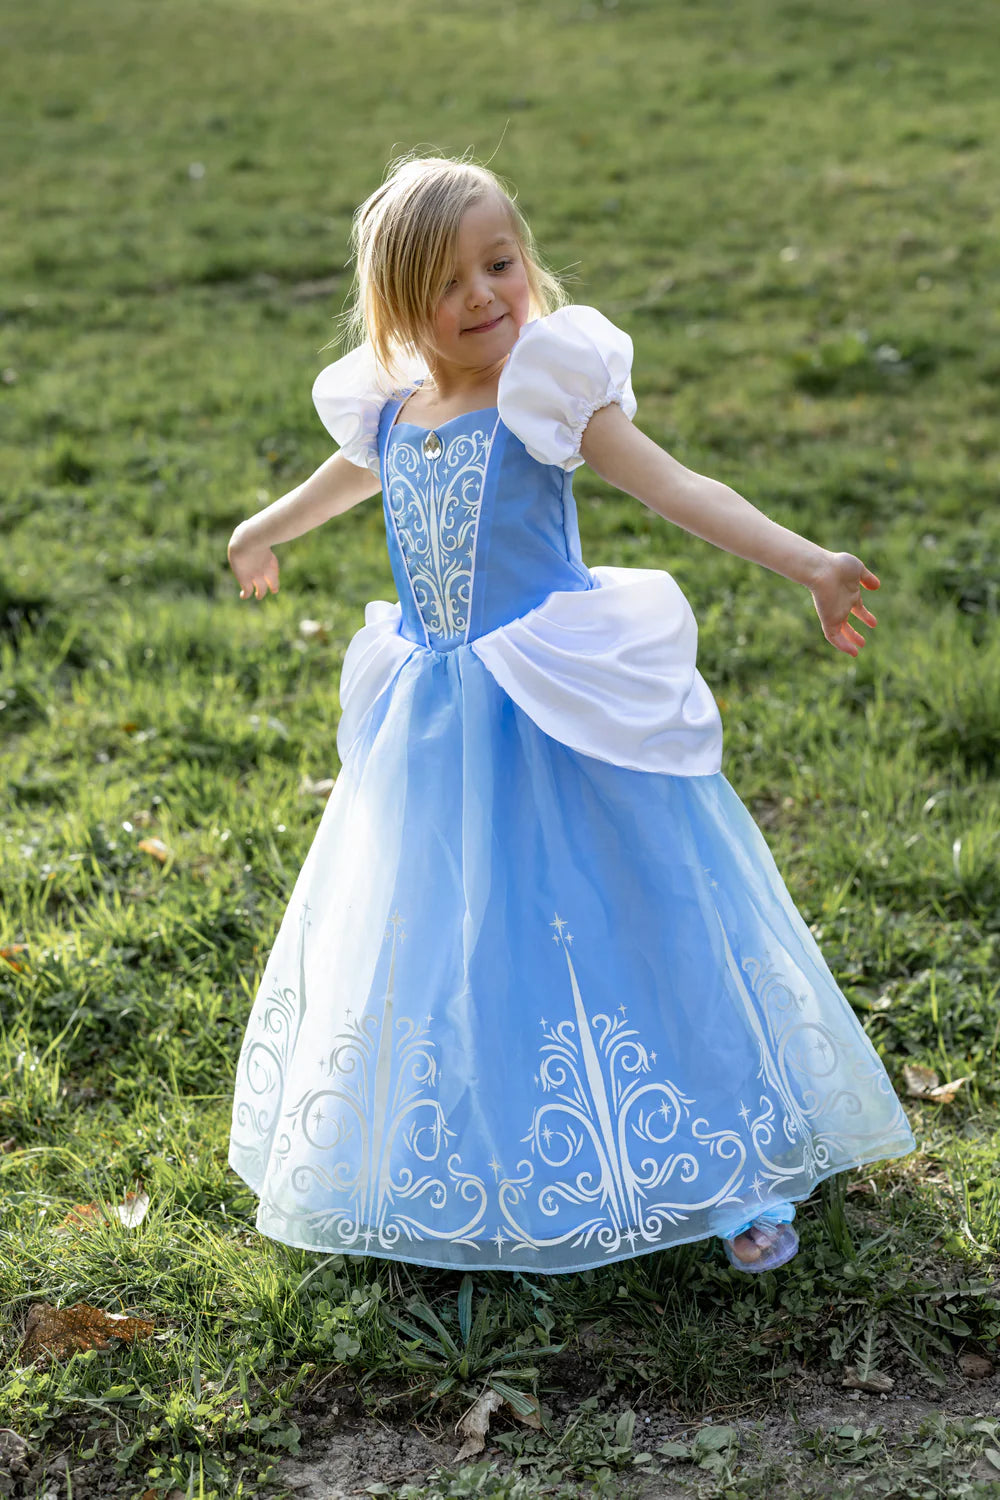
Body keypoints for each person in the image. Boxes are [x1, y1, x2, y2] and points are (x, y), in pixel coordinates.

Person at [226, 152, 914, 1277]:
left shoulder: (544, 392)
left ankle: (725, 1166)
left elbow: (676, 486)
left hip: (555, 715)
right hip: (434, 723)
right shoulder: (391, 411)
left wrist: (809, 564)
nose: (483, 296)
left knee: (625, 918)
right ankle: (455, 1148)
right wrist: (264, 529)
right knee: (442, 929)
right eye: (447, 284)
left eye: (499, 264)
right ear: (397, 306)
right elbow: (340, 481)